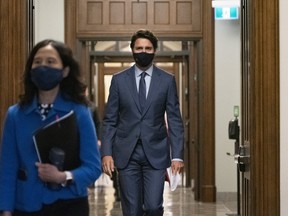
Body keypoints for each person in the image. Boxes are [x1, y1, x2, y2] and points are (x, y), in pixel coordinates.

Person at [0, 39, 102, 216]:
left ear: (65, 71)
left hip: (69, 205)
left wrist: (63, 177)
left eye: (50, 62)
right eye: (37, 62)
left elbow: (93, 167)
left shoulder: (79, 112)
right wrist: (5, 210)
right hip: (25, 205)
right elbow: (7, 168)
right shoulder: (15, 114)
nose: (43, 67)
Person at [101, 29, 185, 216]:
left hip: (155, 153)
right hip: (126, 153)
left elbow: (174, 119)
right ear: (132, 50)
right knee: (131, 210)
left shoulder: (167, 81)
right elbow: (110, 120)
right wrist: (106, 153)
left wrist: (177, 155)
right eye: (139, 48)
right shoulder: (119, 80)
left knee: (154, 206)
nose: (143, 52)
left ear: (155, 51)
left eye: (148, 48)